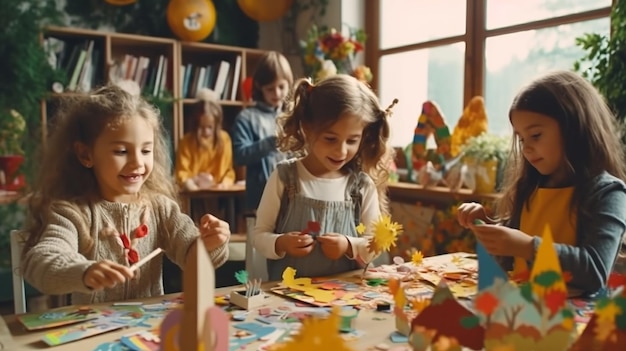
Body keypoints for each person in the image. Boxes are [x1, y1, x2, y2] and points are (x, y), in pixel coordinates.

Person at [21, 85, 230, 304]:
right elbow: (42, 260)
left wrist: (210, 244)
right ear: (85, 154)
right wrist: (84, 271)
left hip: (147, 331)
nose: (138, 163)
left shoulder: (161, 208)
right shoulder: (72, 212)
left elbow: (192, 256)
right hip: (93, 331)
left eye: (146, 150)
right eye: (121, 151)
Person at [456, 70, 626, 296]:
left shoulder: (608, 193)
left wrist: (527, 246)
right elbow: (510, 258)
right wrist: (486, 226)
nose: (526, 148)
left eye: (535, 135)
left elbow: (594, 271)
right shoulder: (530, 186)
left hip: (574, 322)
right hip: (524, 310)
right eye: (521, 138)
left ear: (573, 127)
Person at [253, 74, 397, 281]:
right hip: (287, 300)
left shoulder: (362, 186)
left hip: (346, 301)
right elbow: (259, 236)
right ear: (307, 127)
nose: (341, 151)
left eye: (352, 140)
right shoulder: (284, 177)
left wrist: (349, 245)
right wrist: (281, 243)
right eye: (330, 139)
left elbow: (375, 244)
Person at [231, 51, 294, 212]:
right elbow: (240, 156)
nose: (277, 94)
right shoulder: (246, 117)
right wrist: (272, 142)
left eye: (281, 87)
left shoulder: (291, 116)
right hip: (260, 198)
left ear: (289, 83)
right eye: (270, 89)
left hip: (291, 196)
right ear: (259, 87)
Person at [175, 88, 235, 190]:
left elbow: (228, 172)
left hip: (218, 192)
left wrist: (224, 183)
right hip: (192, 192)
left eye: (210, 127)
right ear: (195, 125)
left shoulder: (224, 139)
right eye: (201, 127)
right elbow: (181, 172)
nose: (206, 132)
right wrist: (191, 181)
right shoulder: (186, 142)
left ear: (216, 126)